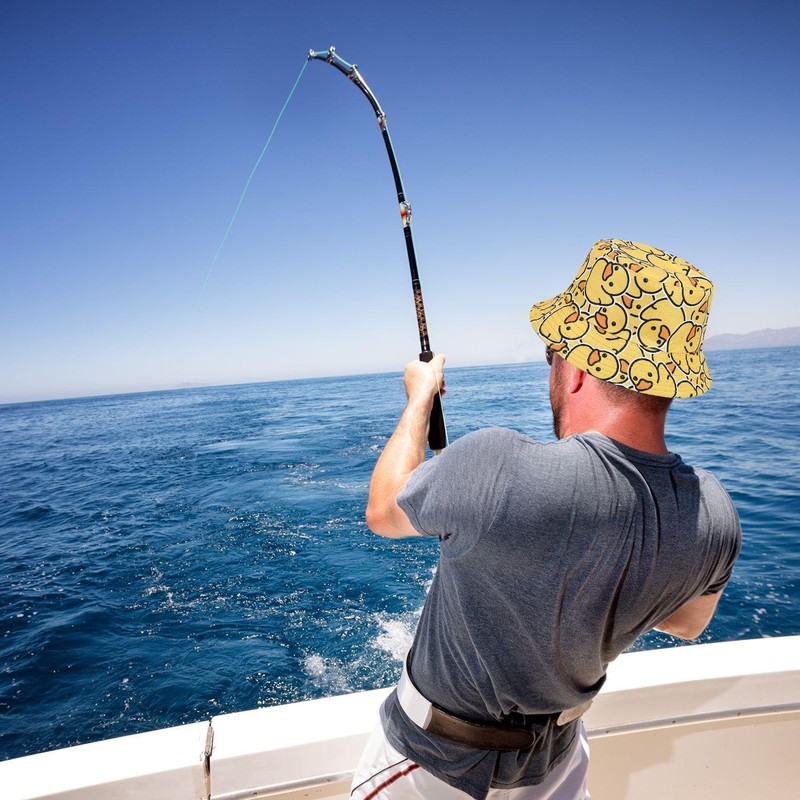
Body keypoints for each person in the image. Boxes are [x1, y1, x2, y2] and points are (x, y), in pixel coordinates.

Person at [350, 239, 742, 800]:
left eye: (552, 354)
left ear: (577, 369)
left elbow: (383, 510)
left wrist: (420, 396)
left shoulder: (496, 464)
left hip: (431, 768)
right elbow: (685, 623)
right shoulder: (714, 515)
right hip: (558, 771)